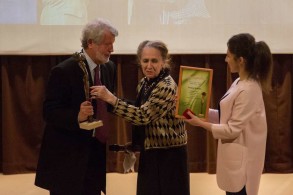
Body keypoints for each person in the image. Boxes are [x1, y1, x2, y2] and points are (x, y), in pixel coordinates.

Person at [91, 40, 190, 195]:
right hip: (151, 152)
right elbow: (140, 110)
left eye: (154, 61)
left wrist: (112, 99)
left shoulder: (166, 86)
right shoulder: (145, 82)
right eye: (145, 61)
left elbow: (142, 116)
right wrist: (137, 143)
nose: (149, 66)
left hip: (169, 157)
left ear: (164, 62)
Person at [35, 18, 118, 195]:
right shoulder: (64, 71)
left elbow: (110, 105)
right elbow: (49, 112)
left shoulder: (109, 67)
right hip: (68, 158)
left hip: (95, 153)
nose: (112, 49)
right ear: (90, 43)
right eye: (107, 44)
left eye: (113, 44)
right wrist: (77, 116)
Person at [184, 33, 273, 195]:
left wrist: (200, 123)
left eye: (228, 56)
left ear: (241, 60)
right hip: (234, 159)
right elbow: (226, 116)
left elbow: (232, 129)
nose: (226, 60)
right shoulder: (239, 82)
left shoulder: (249, 89)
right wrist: (197, 111)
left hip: (244, 164)